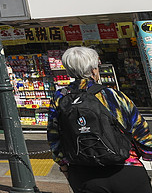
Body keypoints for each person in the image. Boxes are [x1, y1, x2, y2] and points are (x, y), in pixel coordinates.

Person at [49, 45, 152, 193]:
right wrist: (147, 155)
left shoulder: (60, 97)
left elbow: (54, 138)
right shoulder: (112, 95)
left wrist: (65, 168)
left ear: (68, 70)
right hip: (126, 169)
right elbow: (141, 131)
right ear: (93, 69)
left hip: (82, 173)